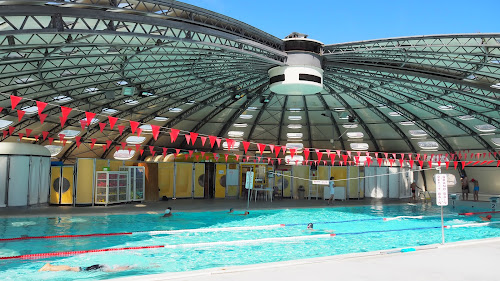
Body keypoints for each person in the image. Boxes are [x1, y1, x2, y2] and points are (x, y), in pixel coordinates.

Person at [39, 263, 132, 272]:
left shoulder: (106, 267)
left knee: (70, 268)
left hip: (89, 268)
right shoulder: (107, 269)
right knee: (69, 268)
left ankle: (50, 267)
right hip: (88, 269)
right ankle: (49, 267)